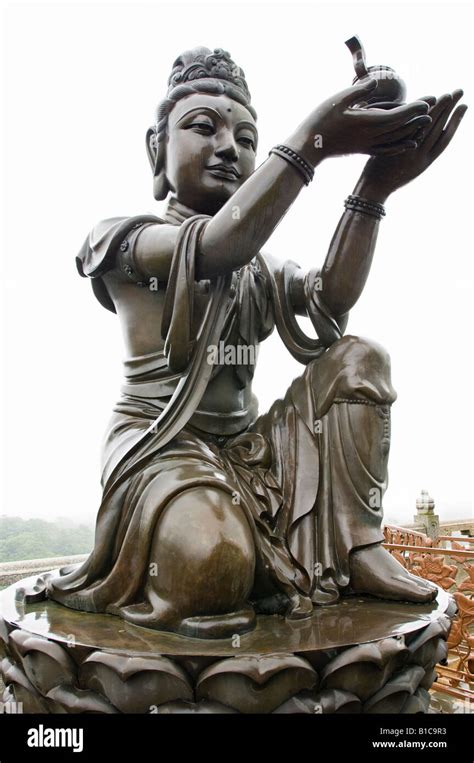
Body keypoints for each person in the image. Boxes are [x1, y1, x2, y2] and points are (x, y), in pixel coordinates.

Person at [44, 47, 466, 638]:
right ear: (156, 151)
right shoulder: (125, 240)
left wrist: (373, 188)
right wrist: (316, 138)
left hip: (253, 454)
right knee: (212, 567)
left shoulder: (259, 268)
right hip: (161, 450)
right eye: (202, 127)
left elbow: (331, 298)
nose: (228, 148)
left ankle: (356, 545)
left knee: (360, 357)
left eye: (246, 137)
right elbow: (217, 246)